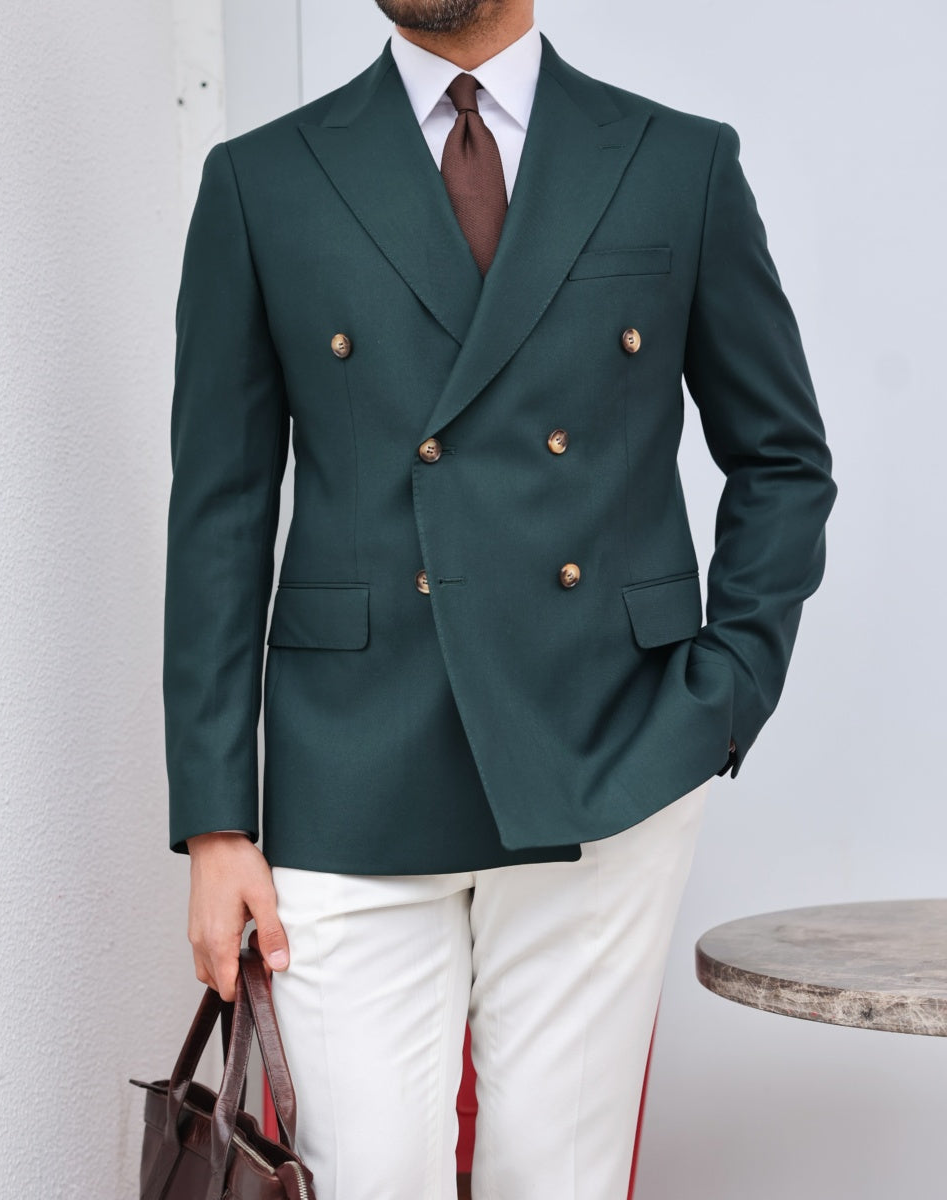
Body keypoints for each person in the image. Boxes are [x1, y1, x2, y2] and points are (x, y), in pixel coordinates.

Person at [163, 0, 836, 1195]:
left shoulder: (675, 163)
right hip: (350, 773)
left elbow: (781, 459)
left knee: (557, 1180)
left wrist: (724, 696)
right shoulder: (263, 182)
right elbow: (220, 515)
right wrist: (217, 824)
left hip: (609, 756)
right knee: (363, 1177)